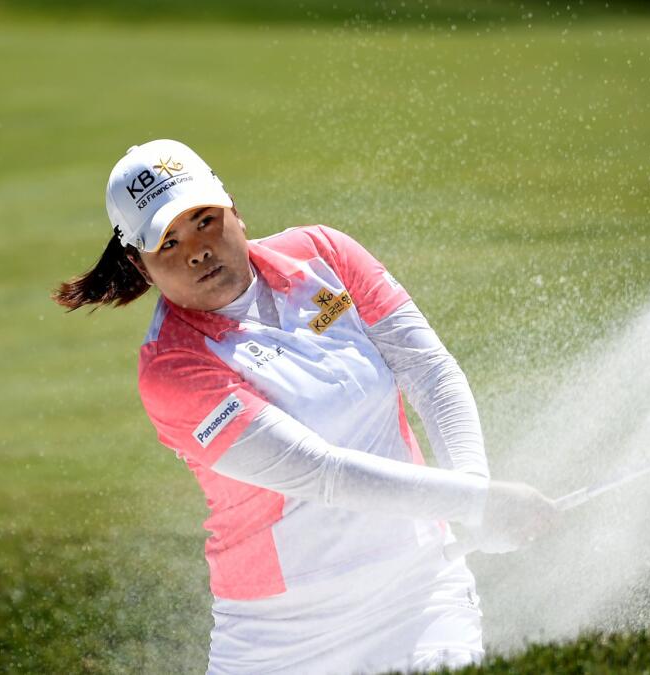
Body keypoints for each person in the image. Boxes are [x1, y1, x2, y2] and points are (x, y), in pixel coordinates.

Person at [53, 139, 557, 674]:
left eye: (204, 220)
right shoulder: (172, 369)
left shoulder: (324, 255)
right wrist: (475, 502)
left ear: (234, 210)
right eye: (168, 241)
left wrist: (472, 486)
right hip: (279, 637)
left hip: (420, 593)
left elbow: (430, 373)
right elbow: (322, 473)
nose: (196, 249)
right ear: (140, 264)